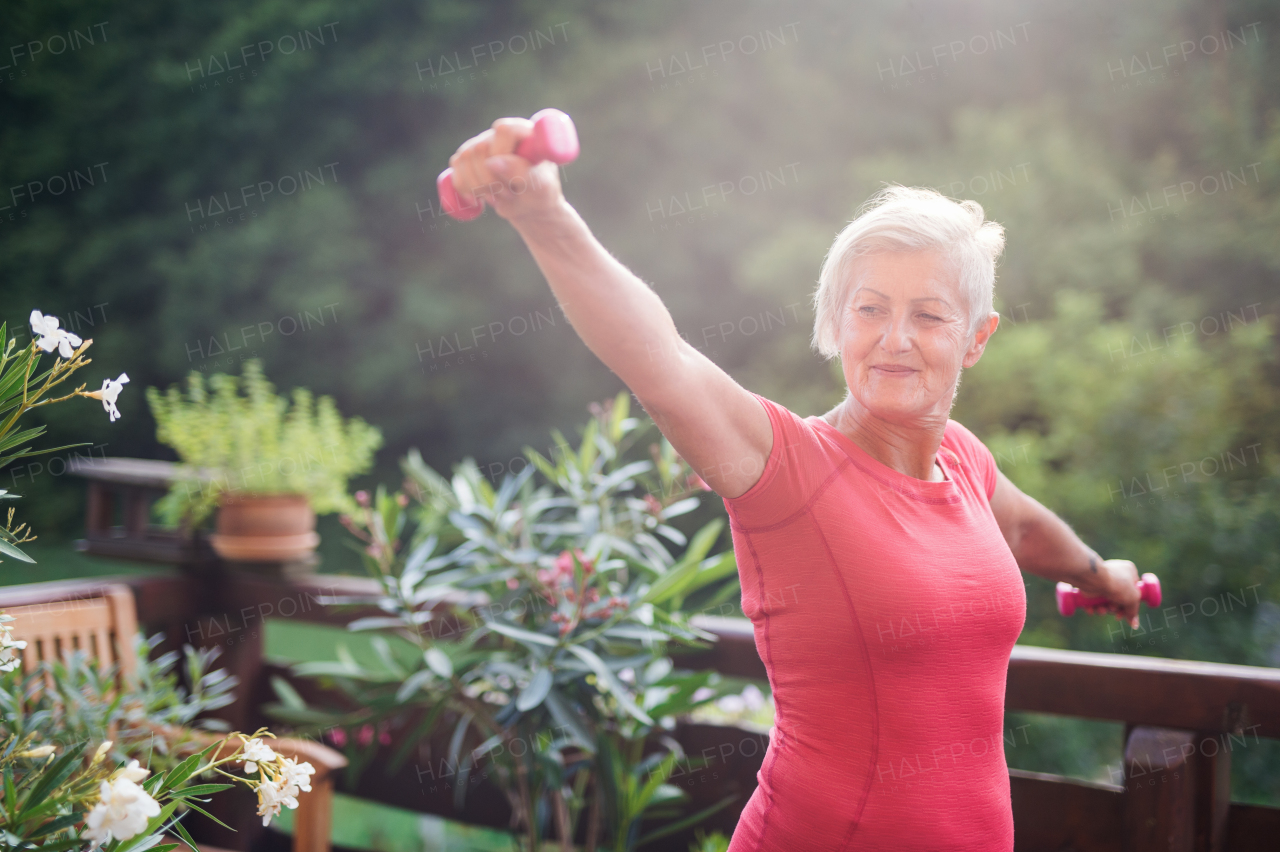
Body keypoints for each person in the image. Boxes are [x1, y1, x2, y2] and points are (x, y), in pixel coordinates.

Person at [446, 116, 1144, 851]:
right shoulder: (788, 469)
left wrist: (1104, 575)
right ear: (837, 323)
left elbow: (1024, 527)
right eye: (869, 308)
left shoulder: (965, 462)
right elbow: (658, 357)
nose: (894, 338)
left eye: (929, 315)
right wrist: (543, 215)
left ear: (976, 337)